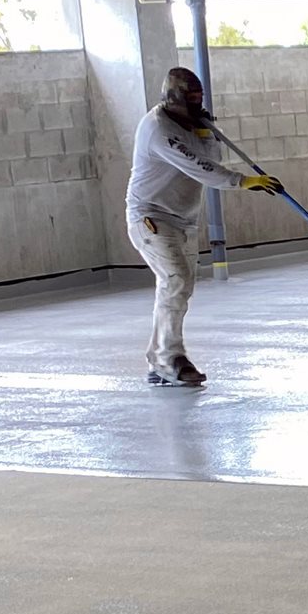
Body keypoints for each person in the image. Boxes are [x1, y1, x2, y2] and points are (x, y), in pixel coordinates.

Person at [126, 67, 281, 386]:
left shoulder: (193, 124)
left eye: (199, 98)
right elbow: (199, 166)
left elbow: (209, 153)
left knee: (177, 286)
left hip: (182, 218)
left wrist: (205, 131)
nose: (196, 104)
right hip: (151, 217)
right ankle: (172, 359)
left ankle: (159, 358)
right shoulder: (158, 129)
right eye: (190, 98)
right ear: (173, 98)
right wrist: (241, 181)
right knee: (177, 281)